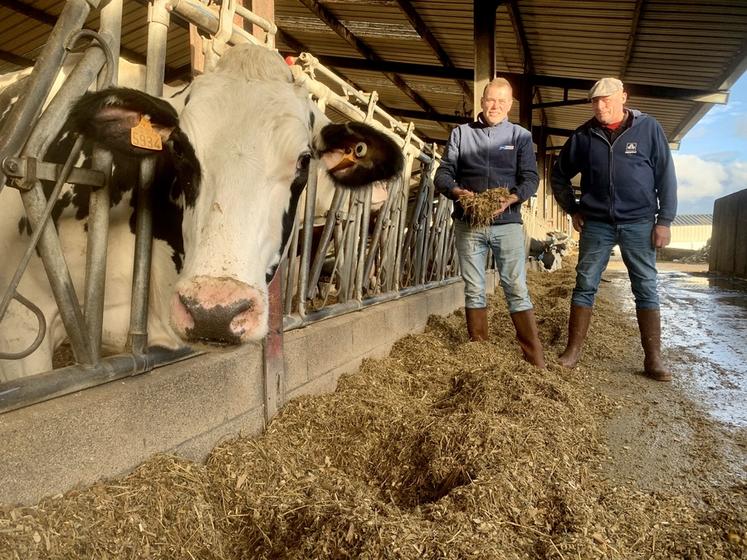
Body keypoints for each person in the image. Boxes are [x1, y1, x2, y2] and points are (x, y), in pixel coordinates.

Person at [550, 77, 677, 381]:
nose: (600, 105)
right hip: (597, 223)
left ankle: (653, 359)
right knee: (585, 282)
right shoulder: (583, 135)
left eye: (606, 99)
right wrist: (573, 209)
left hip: (640, 221)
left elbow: (665, 175)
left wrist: (665, 220)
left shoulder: (648, 129)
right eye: (595, 101)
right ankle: (573, 351)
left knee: (645, 286)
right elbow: (559, 175)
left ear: (623, 97)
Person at [434, 78, 545, 368]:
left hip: (507, 223)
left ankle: (535, 360)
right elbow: (443, 174)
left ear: (510, 104)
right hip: (468, 222)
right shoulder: (461, 134)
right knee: (474, 286)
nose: (495, 106)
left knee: (516, 286)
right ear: (482, 101)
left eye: (502, 101)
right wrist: (457, 192)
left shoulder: (520, 136)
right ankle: (479, 353)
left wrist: (513, 197)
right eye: (490, 100)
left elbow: (531, 178)